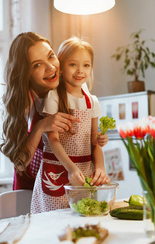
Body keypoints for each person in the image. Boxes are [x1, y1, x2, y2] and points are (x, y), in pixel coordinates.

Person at [0, 32, 108, 191]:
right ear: (25, 73)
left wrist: (99, 165)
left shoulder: (76, 87)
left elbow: (88, 142)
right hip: (31, 187)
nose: (50, 68)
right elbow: (21, 163)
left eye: (51, 56)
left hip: (67, 182)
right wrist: (42, 126)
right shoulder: (27, 100)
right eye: (37, 65)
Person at [31, 37, 110, 214]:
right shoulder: (54, 97)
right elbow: (53, 139)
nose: (80, 71)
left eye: (86, 65)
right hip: (58, 171)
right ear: (61, 66)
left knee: (80, 218)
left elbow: (94, 142)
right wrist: (71, 168)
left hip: (83, 174)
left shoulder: (92, 102)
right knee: (53, 222)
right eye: (73, 64)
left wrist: (100, 167)